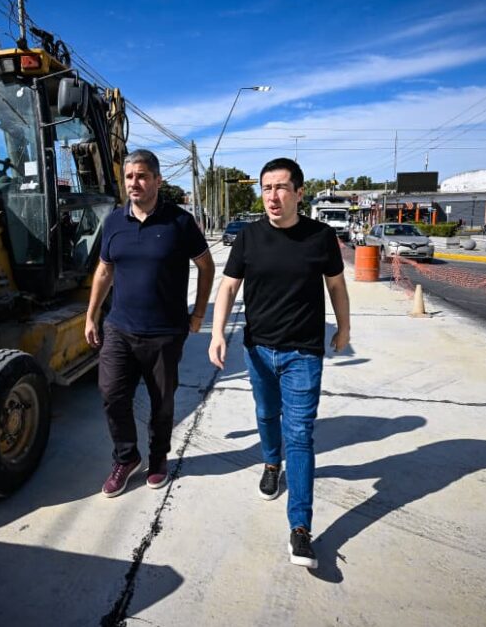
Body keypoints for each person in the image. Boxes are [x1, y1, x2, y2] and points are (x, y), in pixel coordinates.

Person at [208, 157, 351, 569]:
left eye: (281, 187)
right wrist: (217, 333)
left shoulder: (321, 237)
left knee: (301, 434)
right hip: (257, 349)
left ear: (299, 192)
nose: (273, 196)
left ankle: (300, 528)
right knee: (267, 415)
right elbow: (229, 287)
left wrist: (344, 328)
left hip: (304, 352)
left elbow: (337, 286)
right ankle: (272, 462)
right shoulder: (249, 238)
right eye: (267, 188)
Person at [85, 149, 215, 497]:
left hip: (165, 332)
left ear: (158, 180)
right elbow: (104, 270)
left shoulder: (179, 222)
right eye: (129, 177)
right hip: (119, 328)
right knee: (112, 394)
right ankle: (126, 458)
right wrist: (91, 314)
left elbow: (206, 266)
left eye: (142, 176)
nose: (134, 183)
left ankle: (158, 459)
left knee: (162, 403)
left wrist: (199, 313)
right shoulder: (113, 222)